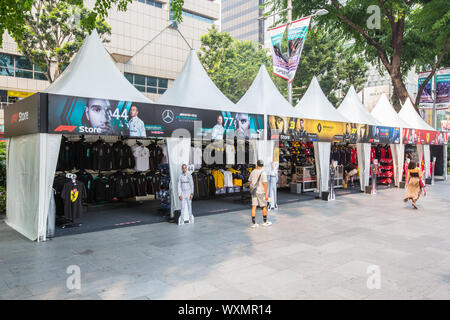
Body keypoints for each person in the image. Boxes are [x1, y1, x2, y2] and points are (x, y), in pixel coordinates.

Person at [248, 160, 271, 228]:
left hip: (254, 191)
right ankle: (265, 222)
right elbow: (265, 184)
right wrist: (266, 193)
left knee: (254, 206)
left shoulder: (253, 172)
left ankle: (254, 223)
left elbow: (250, 181)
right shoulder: (263, 173)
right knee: (264, 206)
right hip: (261, 192)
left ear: (256, 164)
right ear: (262, 165)